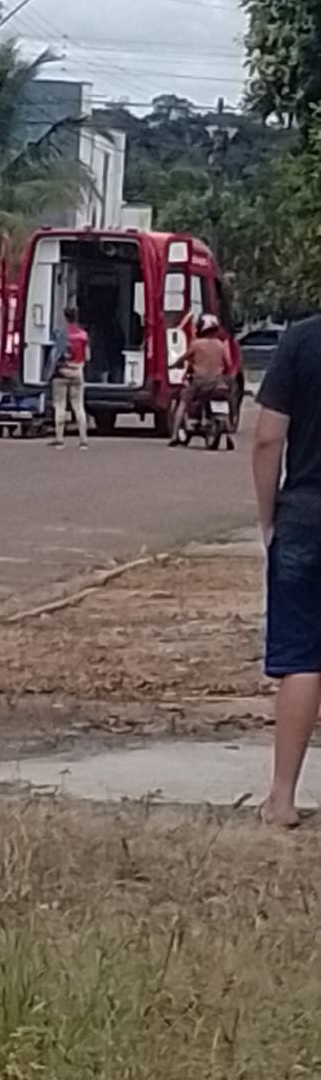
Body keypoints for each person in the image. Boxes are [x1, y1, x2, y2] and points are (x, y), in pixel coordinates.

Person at [253, 315, 321, 827]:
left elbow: (268, 438)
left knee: (302, 658)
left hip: (305, 515)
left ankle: (282, 800)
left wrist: (268, 516)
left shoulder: (301, 339)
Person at [168, 312, 230, 446]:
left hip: (200, 382)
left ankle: (174, 435)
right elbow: (228, 364)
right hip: (218, 382)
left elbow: (183, 358)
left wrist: (173, 364)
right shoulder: (220, 345)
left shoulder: (196, 344)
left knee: (183, 401)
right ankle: (228, 432)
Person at [50, 305, 90, 449]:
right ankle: (83, 439)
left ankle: (60, 438)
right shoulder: (84, 335)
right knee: (78, 406)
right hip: (78, 370)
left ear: (64, 317)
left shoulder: (61, 334)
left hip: (62, 372)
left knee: (60, 405)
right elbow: (88, 356)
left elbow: (55, 355)